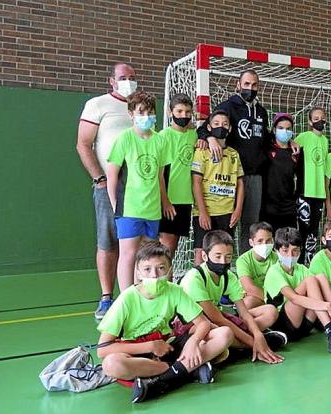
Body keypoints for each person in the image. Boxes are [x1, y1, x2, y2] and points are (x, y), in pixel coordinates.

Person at [96, 241, 233, 403]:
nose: (154, 275)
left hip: (168, 347)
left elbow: (203, 323)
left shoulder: (174, 290)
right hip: (138, 353)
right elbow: (103, 349)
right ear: (138, 273)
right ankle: (185, 371)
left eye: (160, 268)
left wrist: (193, 342)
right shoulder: (127, 299)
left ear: (169, 270)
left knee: (224, 333)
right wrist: (150, 346)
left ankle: (161, 382)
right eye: (147, 269)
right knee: (111, 364)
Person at [197, 70, 296, 253]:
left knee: (250, 225)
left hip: (255, 176)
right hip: (229, 177)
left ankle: (245, 264)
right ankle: (218, 262)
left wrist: (289, 141)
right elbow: (205, 128)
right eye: (246, 84)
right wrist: (209, 138)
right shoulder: (228, 106)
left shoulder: (262, 112)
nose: (250, 88)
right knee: (226, 223)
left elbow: (268, 138)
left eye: (254, 85)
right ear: (238, 85)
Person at [77, 62, 136, 320]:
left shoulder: (140, 107)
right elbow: (83, 144)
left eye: (132, 77)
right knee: (108, 239)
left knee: (134, 241)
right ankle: (106, 297)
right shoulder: (97, 104)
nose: (128, 81)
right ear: (111, 81)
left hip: (138, 186)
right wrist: (99, 178)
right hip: (109, 184)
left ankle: (133, 294)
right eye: (123, 77)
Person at [179, 230, 285, 365]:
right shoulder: (194, 278)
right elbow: (216, 318)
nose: (223, 262)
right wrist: (253, 342)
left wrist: (257, 334)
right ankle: (251, 347)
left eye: (228, 257)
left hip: (219, 318)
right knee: (223, 331)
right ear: (205, 256)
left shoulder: (229, 276)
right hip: (194, 325)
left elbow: (244, 313)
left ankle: (237, 347)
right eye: (217, 256)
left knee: (270, 311)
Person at [106, 91, 171, 291]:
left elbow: (160, 176)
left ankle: (142, 293)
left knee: (147, 255)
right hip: (129, 208)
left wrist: (165, 202)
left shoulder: (161, 141)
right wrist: (115, 205)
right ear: (131, 113)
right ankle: (126, 299)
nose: (146, 116)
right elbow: (112, 175)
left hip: (152, 210)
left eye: (150, 112)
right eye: (141, 111)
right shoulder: (124, 139)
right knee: (128, 254)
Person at [263, 227, 331, 352]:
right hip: (284, 326)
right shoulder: (274, 272)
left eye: (295, 251)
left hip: (304, 325)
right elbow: (293, 298)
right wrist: (326, 305)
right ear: (277, 250)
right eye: (285, 251)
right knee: (310, 281)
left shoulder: (301, 269)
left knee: (320, 278)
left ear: (300, 250)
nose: (290, 255)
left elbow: (322, 289)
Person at [191, 110, 245, 264]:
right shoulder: (202, 151)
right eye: (216, 124)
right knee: (201, 253)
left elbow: (241, 183)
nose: (220, 127)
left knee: (224, 253)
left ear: (230, 129)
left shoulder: (234, 154)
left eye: (225, 124)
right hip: (206, 211)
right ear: (208, 127)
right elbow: (196, 182)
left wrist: (238, 209)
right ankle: (198, 286)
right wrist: (202, 212)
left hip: (227, 212)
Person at [158, 93, 197, 258]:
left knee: (172, 250)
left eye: (188, 112)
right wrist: (165, 201)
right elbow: (159, 174)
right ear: (170, 112)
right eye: (179, 111)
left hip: (186, 201)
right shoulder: (163, 136)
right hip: (169, 201)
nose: (184, 115)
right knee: (166, 249)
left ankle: (167, 282)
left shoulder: (194, 135)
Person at [295, 107, 329, 265]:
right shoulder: (303, 137)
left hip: (319, 193)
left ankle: (309, 263)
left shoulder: (325, 140)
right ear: (310, 121)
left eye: (322, 118)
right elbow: (292, 150)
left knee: (314, 231)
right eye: (316, 118)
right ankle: (299, 262)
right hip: (305, 191)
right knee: (303, 229)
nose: (319, 121)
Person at [261, 113, 299, 234]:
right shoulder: (266, 147)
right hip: (268, 207)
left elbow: (301, 178)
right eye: (281, 128)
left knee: (288, 243)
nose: (285, 131)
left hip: (288, 207)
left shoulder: (296, 151)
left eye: (288, 129)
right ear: (274, 129)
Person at [236, 222, 279, 309]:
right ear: (251, 242)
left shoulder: (278, 258)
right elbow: (249, 288)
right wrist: (271, 301)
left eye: (268, 241)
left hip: (273, 296)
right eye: (260, 241)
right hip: (254, 297)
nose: (265, 244)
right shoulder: (243, 260)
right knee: (248, 303)